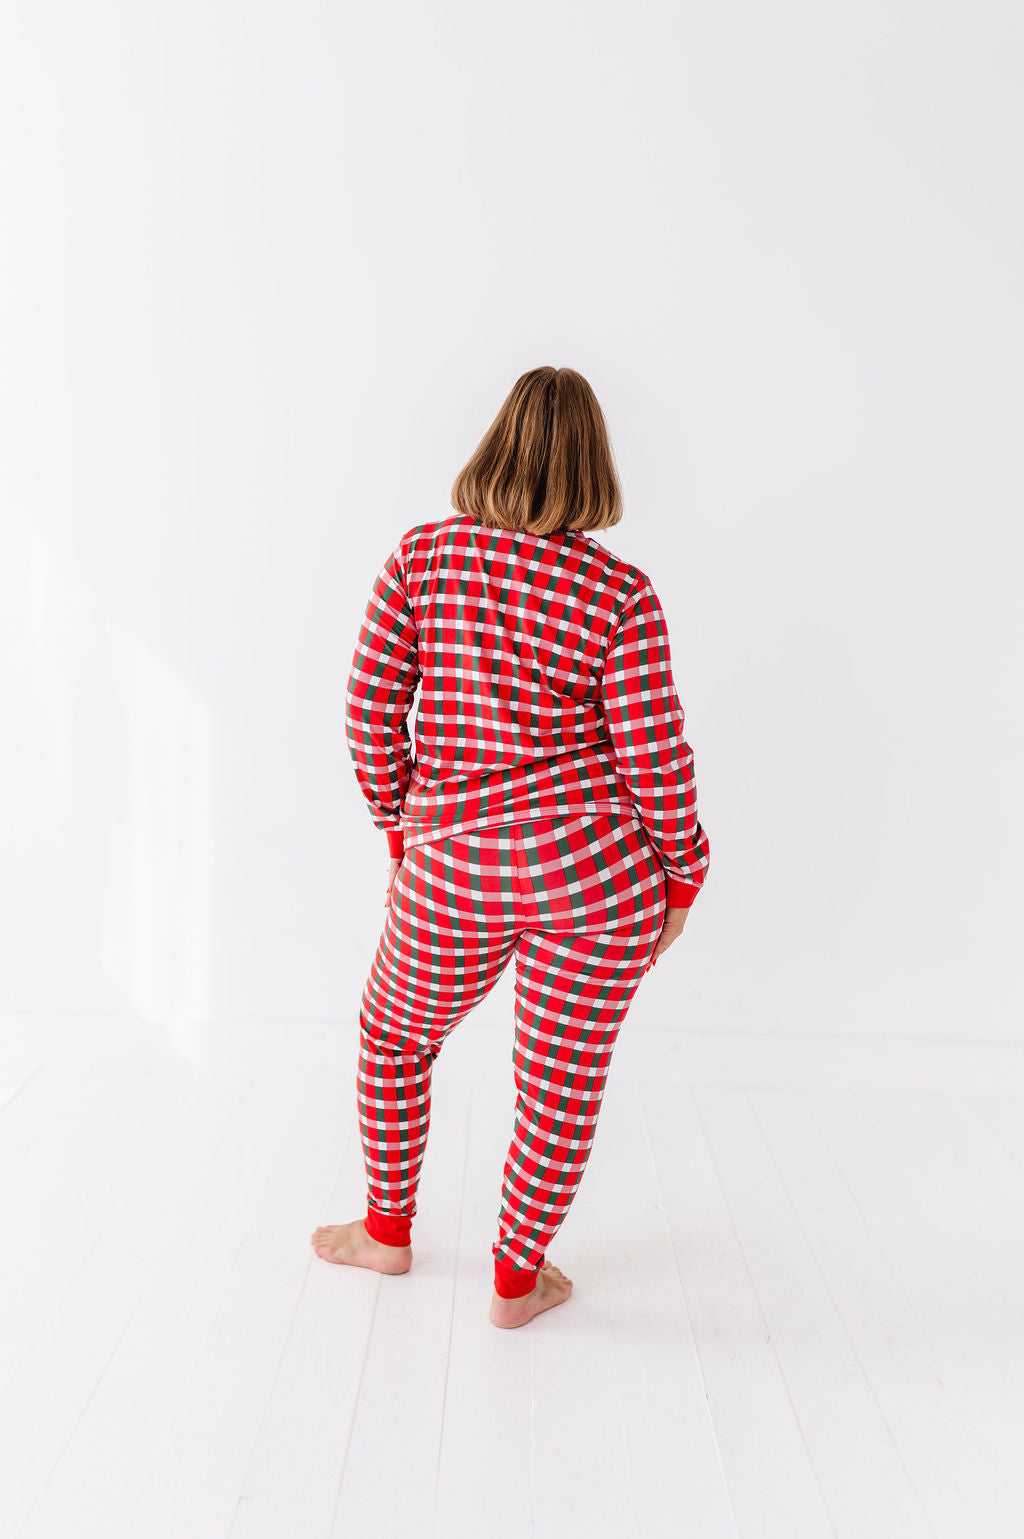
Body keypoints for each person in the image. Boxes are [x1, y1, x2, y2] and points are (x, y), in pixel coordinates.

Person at [311, 366, 711, 1328]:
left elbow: (369, 709)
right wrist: (682, 878)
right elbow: (655, 753)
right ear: (594, 466)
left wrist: (399, 825)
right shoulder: (620, 594)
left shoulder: (422, 559)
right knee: (558, 1085)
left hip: (453, 865)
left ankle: (387, 1232)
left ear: (494, 445)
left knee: (395, 1037)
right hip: (597, 873)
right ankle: (517, 1281)